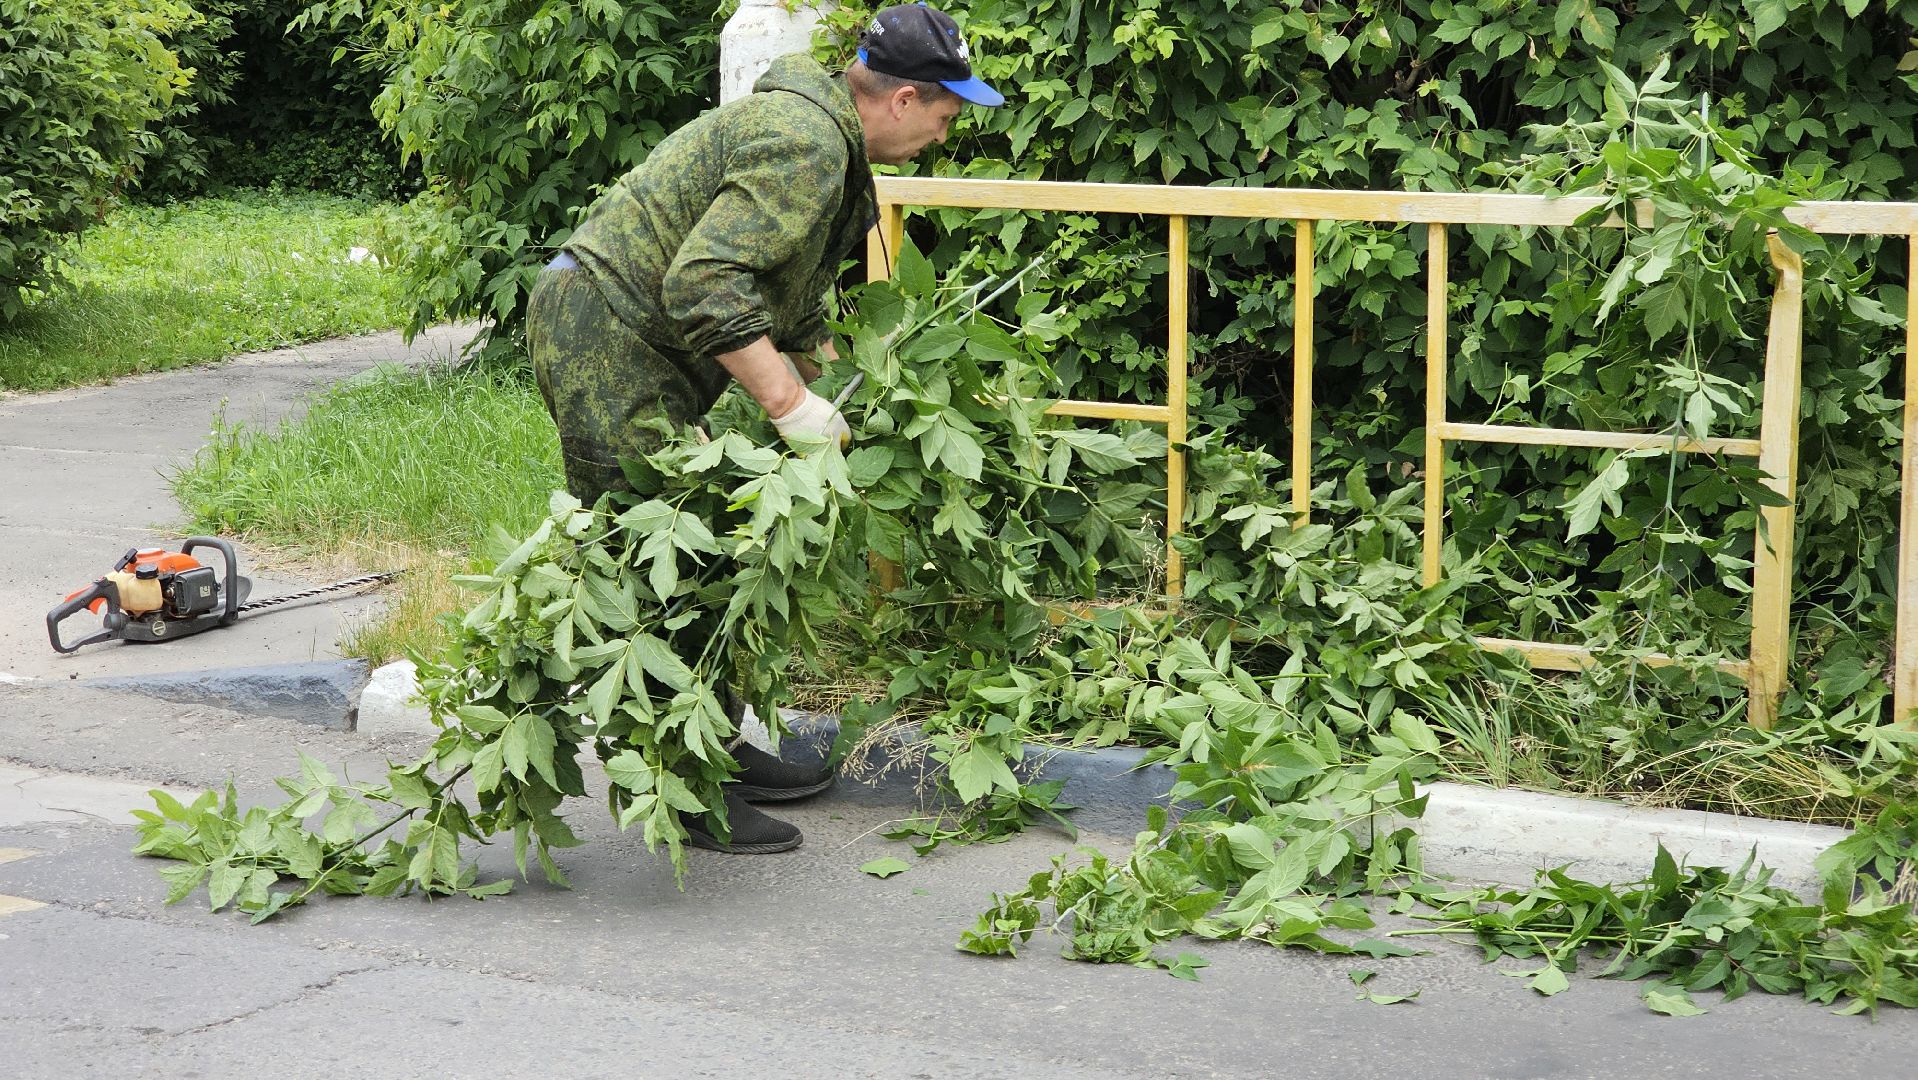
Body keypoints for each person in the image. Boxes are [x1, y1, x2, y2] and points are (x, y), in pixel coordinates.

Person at [527, 3, 1005, 854]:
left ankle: (718, 749)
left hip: (627, 334)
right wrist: (789, 407)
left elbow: (781, 299)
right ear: (903, 99)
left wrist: (849, 389)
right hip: (605, 333)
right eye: (947, 111)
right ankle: (682, 790)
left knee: (709, 546)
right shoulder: (808, 143)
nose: (946, 131)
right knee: (662, 566)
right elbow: (705, 283)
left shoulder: (821, 138)